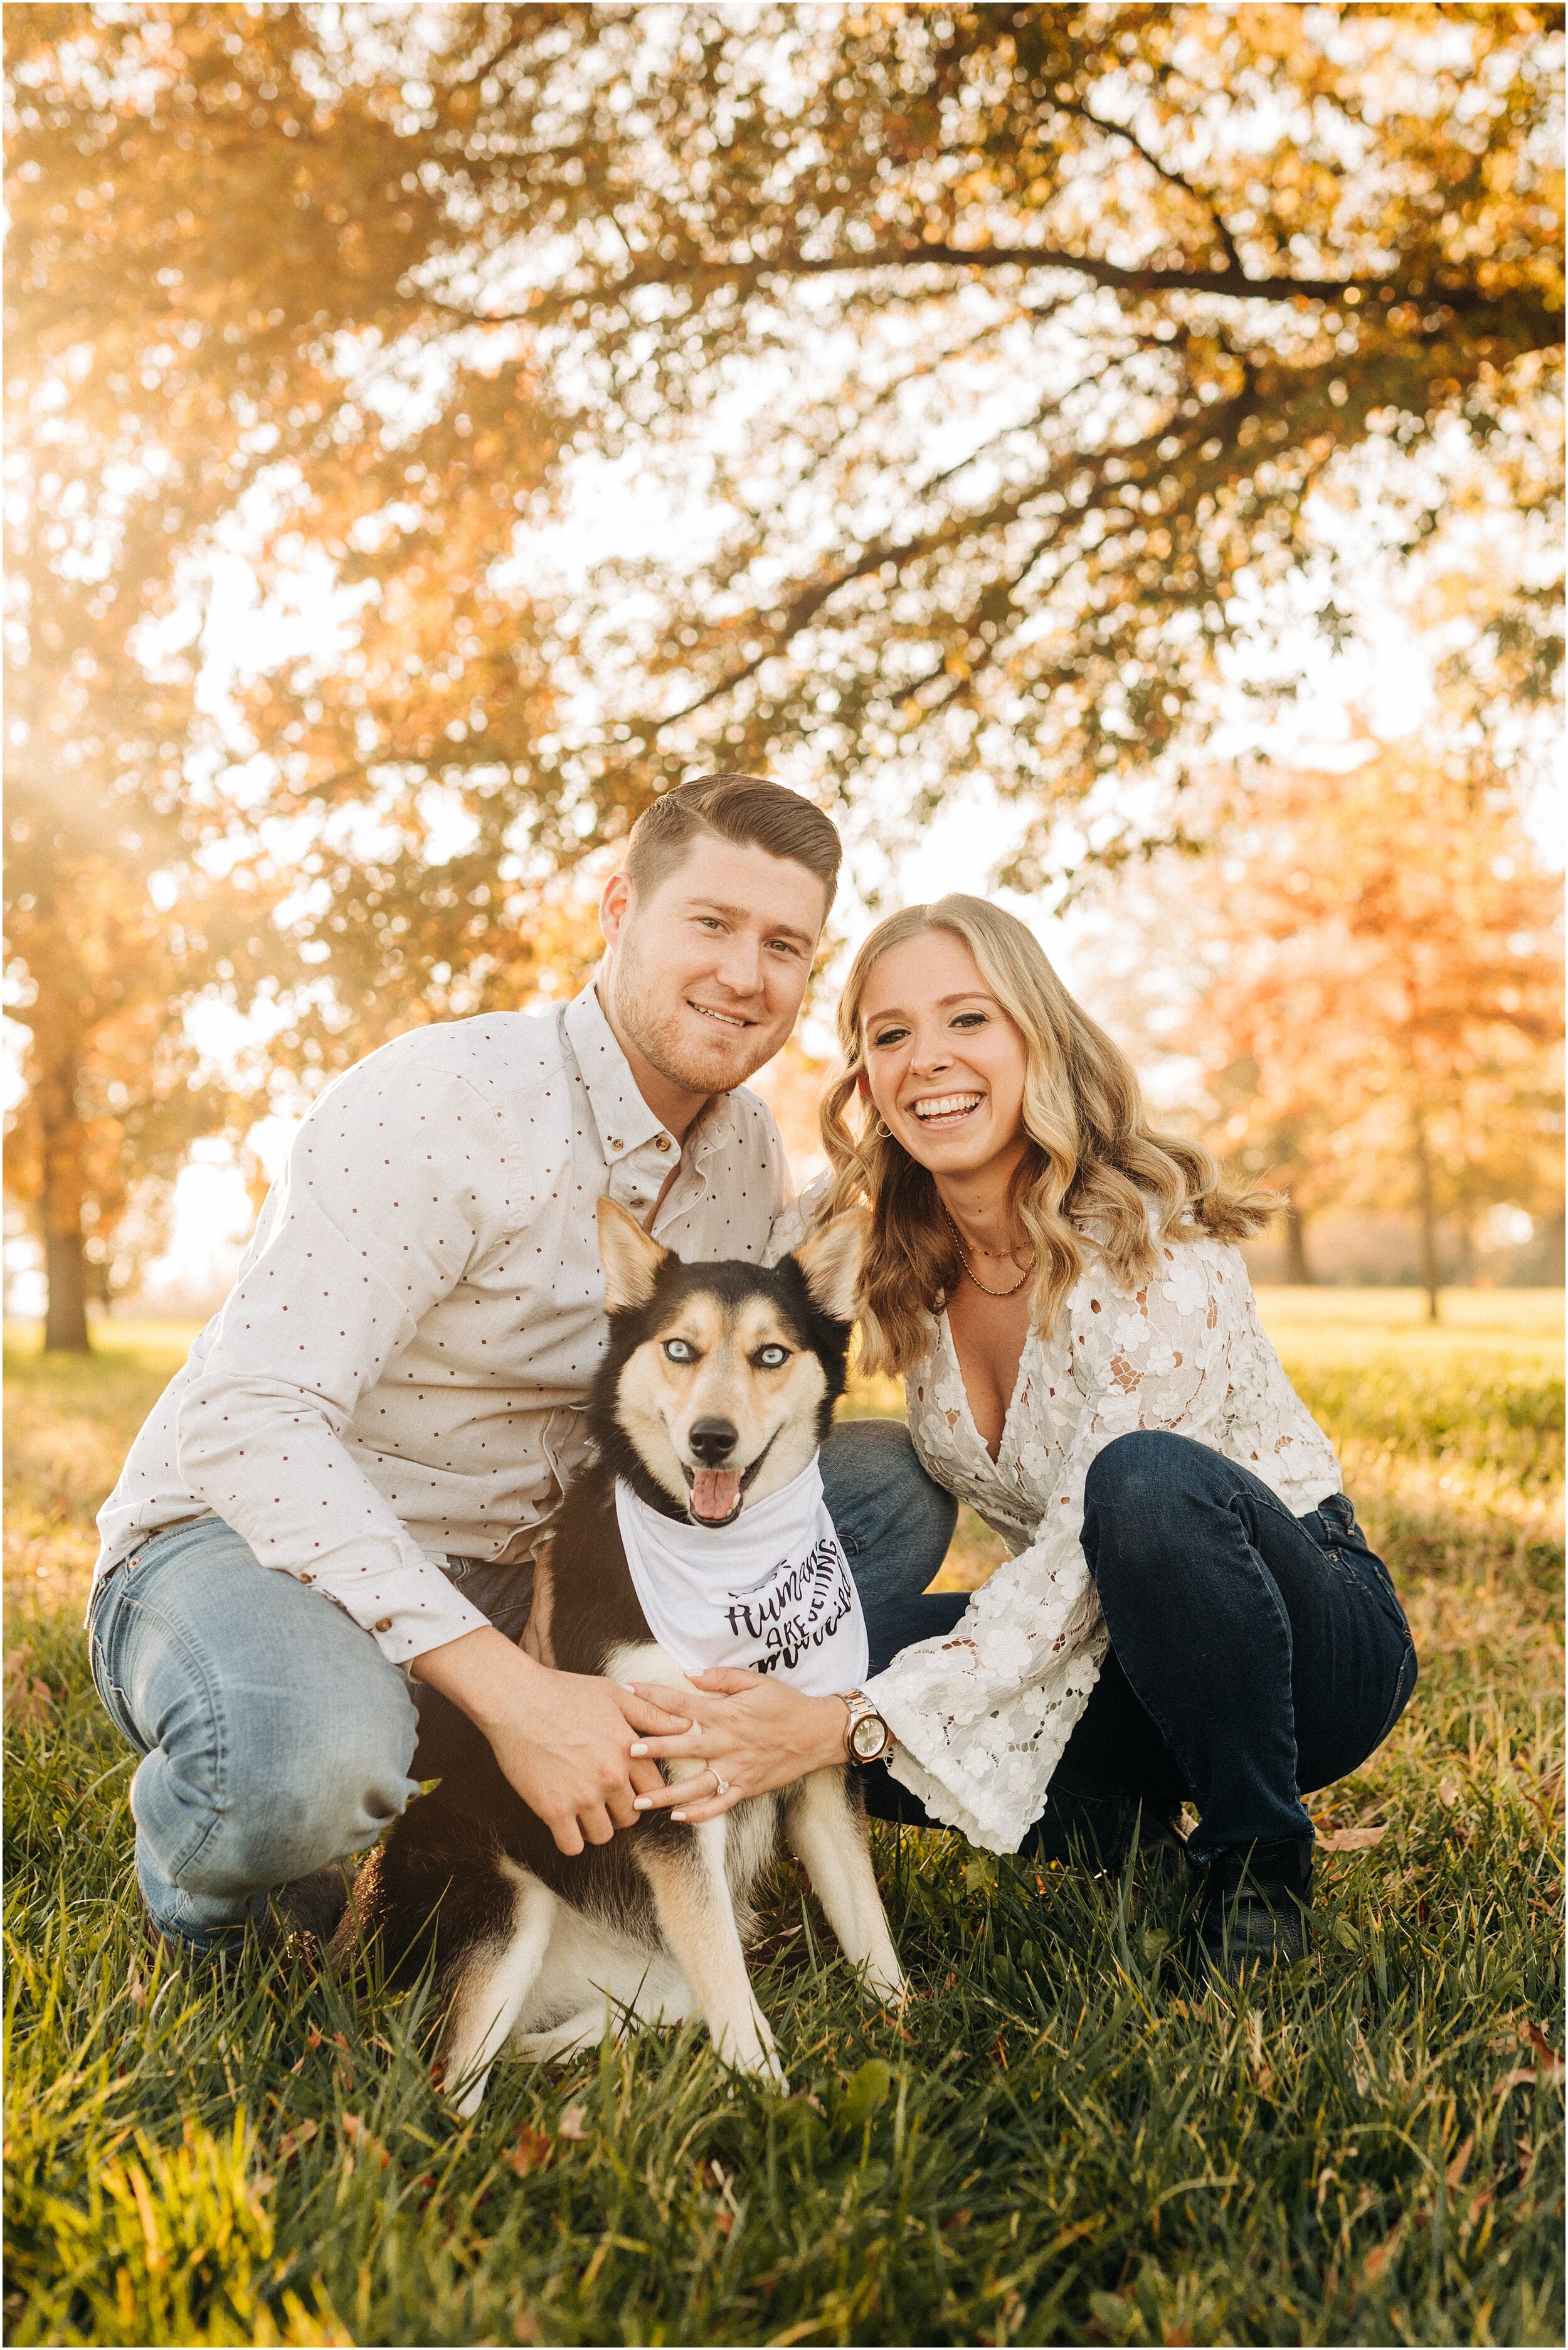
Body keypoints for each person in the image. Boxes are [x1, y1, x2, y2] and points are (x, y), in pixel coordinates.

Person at [90, 777, 958, 1957]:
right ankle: (237, 1888)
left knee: (886, 1491)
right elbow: (248, 1418)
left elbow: (734, 1373)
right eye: (711, 923)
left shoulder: (746, 1144)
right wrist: (518, 1694)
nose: (746, 974)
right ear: (618, 909)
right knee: (297, 1763)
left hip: (543, 1571)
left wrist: (926, 1108)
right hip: (262, 1546)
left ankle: (615, 1811)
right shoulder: (444, 1102)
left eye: (783, 944)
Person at [623, 896, 1418, 1973]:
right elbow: (693, 1278)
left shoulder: (1157, 1247)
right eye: (891, 1034)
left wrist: (850, 1722)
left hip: (1296, 1645)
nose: (928, 1060)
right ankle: (1121, 1829)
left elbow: (1085, 1562)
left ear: (1038, 1035)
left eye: (969, 1020)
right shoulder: (877, 1236)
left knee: (1137, 1485)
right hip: (1108, 1655)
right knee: (823, 1654)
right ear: (865, 1078)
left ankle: (1256, 1864)